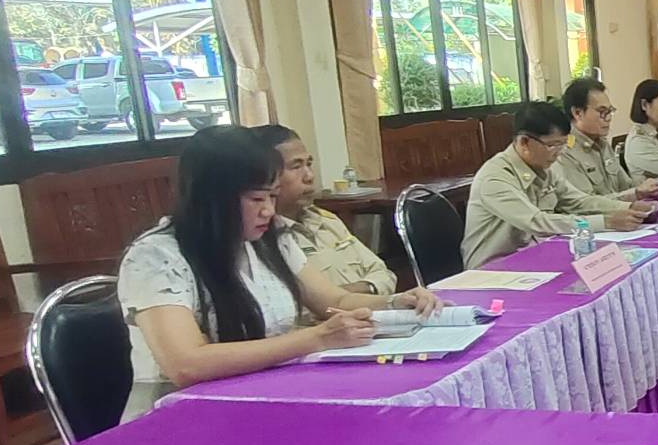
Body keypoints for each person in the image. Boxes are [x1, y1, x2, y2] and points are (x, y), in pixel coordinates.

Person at [119, 126, 440, 420]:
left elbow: (334, 300)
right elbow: (186, 364)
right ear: (213, 199)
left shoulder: (269, 239)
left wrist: (396, 302)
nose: (268, 211)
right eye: (256, 199)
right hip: (182, 417)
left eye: (272, 196)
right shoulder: (157, 257)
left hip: (266, 398)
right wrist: (316, 338)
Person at [464, 100, 655, 268]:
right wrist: (606, 222)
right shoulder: (495, 178)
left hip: (534, 257)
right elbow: (537, 222)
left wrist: (627, 207)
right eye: (552, 145)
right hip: (492, 271)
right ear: (524, 142)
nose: (559, 152)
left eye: (563, 144)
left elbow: (578, 201)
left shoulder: (543, 168)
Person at [246, 124, 396, 296]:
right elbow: (296, 304)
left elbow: (385, 274)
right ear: (267, 175)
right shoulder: (266, 237)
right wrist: (339, 299)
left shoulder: (326, 221)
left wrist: (352, 293)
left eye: (309, 164)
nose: (309, 176)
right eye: (296, 167)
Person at [555, 76, 658, 201]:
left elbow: (626, 185)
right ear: (577, 113)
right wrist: (636, 193)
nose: (608, 118)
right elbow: (586, 204)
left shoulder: (602, 144)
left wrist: (648, 186)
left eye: (610, 111)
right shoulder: (565, 152)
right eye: (602, 112)